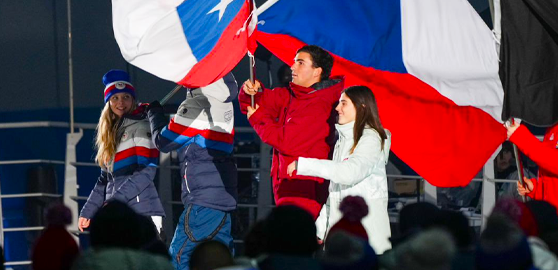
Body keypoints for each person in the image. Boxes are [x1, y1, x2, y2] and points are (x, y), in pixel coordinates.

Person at [239, 45, 344, 218]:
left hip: (305, 187)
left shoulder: (319, 105)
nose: (292, 67)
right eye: (295, 62)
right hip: (290, 184)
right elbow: (258, 103)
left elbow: (289, 143)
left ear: (317, 71)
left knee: (296, 240)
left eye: (300, 63)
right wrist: (252, 93)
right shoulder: (295, 95)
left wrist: (257, 118)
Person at [147, 75, 238, 270]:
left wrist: (154, 114)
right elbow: (199, 138)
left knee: (179, 258)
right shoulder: (224, 102)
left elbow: (164, 141)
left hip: (202, 201)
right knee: (221, 262)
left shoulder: (198, 103)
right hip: (222, 200)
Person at [287, 85, 391, 254]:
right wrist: (320, 229)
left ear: (362, 107)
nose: (337, 108)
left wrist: (305, 165)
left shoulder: (371, 139)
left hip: (366, 241)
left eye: (344, 103)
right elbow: (334, 194)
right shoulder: (343, 140)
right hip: (343, 242)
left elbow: (349, 173)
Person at [79, 70, 164, 234]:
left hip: (141, 211)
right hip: (119, 212)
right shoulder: (111, 135)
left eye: (126, 97)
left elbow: (147, 171)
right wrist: (88, 212)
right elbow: (104, 180)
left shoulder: (141, 126)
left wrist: (115, 201)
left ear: (133, 100)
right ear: (108, 102)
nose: (121, 102)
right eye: (115, 98)